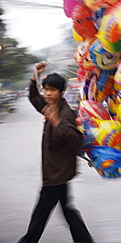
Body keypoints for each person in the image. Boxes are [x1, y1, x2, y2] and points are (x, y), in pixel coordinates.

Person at [19, 61, 93, 243]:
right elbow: (34, 98)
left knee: (40, 215)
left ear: (61, 92)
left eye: (52, 90)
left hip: (56, 174)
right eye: (46, 90)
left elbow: (75, 139)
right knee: (68, 210)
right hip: (59, 172)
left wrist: (56, 122)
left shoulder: (65, 112)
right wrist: (34, 75)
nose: (47, 94)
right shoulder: (51, 106)